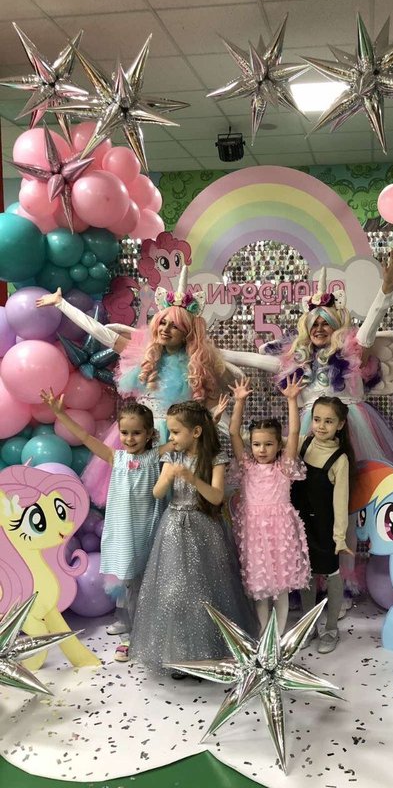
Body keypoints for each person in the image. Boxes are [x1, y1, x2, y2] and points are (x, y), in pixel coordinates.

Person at [36, 266, 238, 507]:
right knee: (136, 499)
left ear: (186, 333)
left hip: (177, 438)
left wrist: (236, 432)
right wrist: (61, 304)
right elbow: (100, 332)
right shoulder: (142, 354)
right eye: (162, 323)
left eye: (174, 326)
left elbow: (211, 410)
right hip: (140, 433)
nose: (165, 329)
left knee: (174, 499)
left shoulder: (196, 367)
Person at [220, 257, 393, 475]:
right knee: (312, 477)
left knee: (356, 476)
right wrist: (216, 353)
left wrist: (386, 288)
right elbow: (256, 360)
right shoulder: (298, 362)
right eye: (314, 324)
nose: (319, 329)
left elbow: (371, 324)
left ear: (336, 327)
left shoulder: (353, 351)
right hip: (311, 424)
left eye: (325, 324)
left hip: (350, 424)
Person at [40, 389, 172, 662]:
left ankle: (134, 635)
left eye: (137, 433)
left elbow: (184, 441)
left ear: (150, 433)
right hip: (122, 531)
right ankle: (125, 621)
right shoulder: (117, 457)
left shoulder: (155, 457)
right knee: (124, 579)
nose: (129, 438)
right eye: (125, 433)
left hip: (145, 531)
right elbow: (85, 437)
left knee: (139, 582)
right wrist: (60, 414)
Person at [130, 401, 256, 676]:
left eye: (175, 432)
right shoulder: (171, 457)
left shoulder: (215, 458)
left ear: (196, 432)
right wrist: (168, 476)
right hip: (174, 528)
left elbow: (216, 497)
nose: (171, 437)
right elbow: (157, 493)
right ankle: (179, 655)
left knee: (207, 590)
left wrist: (191, 478)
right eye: (170, 432)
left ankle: (209, 654)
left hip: (205, 528)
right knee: (175, 591)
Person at [229, 375, 310, 635]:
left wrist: (292, 400)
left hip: (279, 533)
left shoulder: (284, 468)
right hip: (254, 534)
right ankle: (264, 633)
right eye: (256, 444)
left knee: (280, 587)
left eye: (268, 444)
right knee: (259, 588)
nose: (261, 449)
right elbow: (233, 433)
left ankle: (279, 635)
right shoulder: (247, 467)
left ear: (278, 445)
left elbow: (294, 432)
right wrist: (239, 402)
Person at [291, 396, 355, 654]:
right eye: (317, 419)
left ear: (340, 424)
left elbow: (341, 502)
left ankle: (331, 628)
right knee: (305, 574)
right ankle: (308, 625)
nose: (321, 425)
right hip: (301, 524)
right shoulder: (302, 444)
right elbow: (267, 441)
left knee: (330, 573)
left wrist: (339, 537)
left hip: (326, 526)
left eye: (328, 421)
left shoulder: (340, 459)